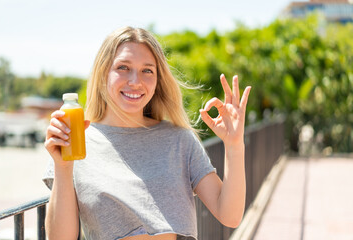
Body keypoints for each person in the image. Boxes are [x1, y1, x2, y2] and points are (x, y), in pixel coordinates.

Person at [43, 26, 251, 240]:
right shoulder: (77, 141)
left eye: (147, 70)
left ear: (158, 80)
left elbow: (230, 216)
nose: (135, 81)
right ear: (103, 72)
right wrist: (63, 167)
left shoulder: (179, 139)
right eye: (123, 67)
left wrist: (234, 145)